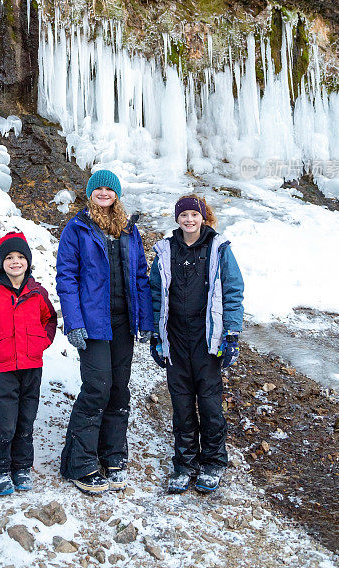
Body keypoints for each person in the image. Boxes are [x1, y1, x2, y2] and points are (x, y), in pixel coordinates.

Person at [57, 169, 154, 495]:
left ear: (116, 194)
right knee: (97, 388)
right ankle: (80, 463)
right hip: (93, 323)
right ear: (90, 193)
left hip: (123, 322)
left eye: (108, 189)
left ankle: (112, 455)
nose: (103, 192)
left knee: (118, 389)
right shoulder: (77, 228)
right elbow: (66, 278)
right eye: (97, 188)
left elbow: (140, 276)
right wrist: (74, 322)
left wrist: (144, 321)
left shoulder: (129, 229)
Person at [149, 194, 244, 494]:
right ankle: (185, 464)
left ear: (204, 217)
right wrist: (155, 336)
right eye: (184, 215)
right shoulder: (165, 250)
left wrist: (231, 334)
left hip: (207, 340)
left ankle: (213, 461)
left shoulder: (218, 248)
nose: (189, 220)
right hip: (175, 338)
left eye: (194, 215)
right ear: (177, 219)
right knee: (181, 405)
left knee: (210, 403)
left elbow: (232, 291)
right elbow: (155, 294)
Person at [0, 231, 57, 496]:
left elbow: (49, 319)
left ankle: (21, 467)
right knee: (5, 420)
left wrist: (43, 341)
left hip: (32, 366)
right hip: (4, 367)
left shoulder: (37, 293)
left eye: (20, 257)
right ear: (1, 262)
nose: (15, 262)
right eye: (9, 257)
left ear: (28, 261)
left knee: (26, 419)